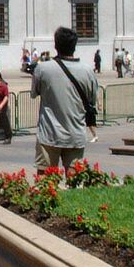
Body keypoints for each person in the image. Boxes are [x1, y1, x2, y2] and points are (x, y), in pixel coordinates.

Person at [33, 25, 101, 172]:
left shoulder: (43, 69)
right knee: (75, 179)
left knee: (46, 180)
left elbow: (35, 93)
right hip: (75, 133)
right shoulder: (88, 71)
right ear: (74, 46)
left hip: (49, 134)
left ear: (56, 45)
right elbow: (92, 99)